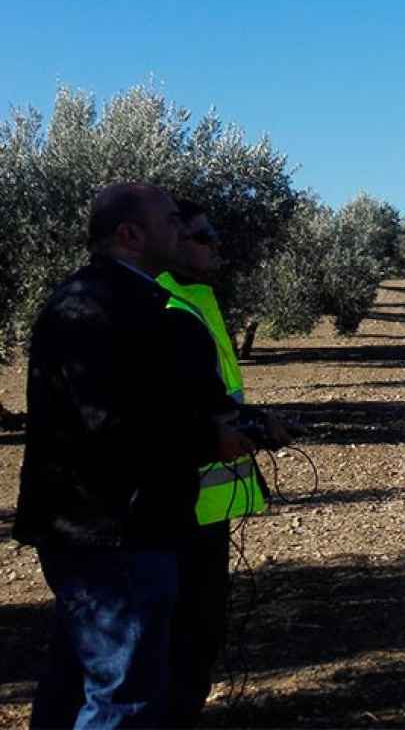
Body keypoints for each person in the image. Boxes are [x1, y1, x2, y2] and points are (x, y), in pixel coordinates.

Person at [13, 183, 255, 729]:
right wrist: (209, 439)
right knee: (124, 697)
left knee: (81, 681)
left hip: (118, 528)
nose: (181, 229)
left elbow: (150, 404)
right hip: (114, 532)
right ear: (129, 234)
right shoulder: (93, 308)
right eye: (172, 220)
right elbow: (109, 428)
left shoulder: (127, 301)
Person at [156, 198, 278, 725]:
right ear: (171, 240)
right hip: (170, 505)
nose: (217, 246)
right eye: (205, 237)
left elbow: (211, 396)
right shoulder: (164, 305)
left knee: (196, 636)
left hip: (204, 503)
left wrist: (249, 421)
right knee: (174, 641)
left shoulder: (197, 298)